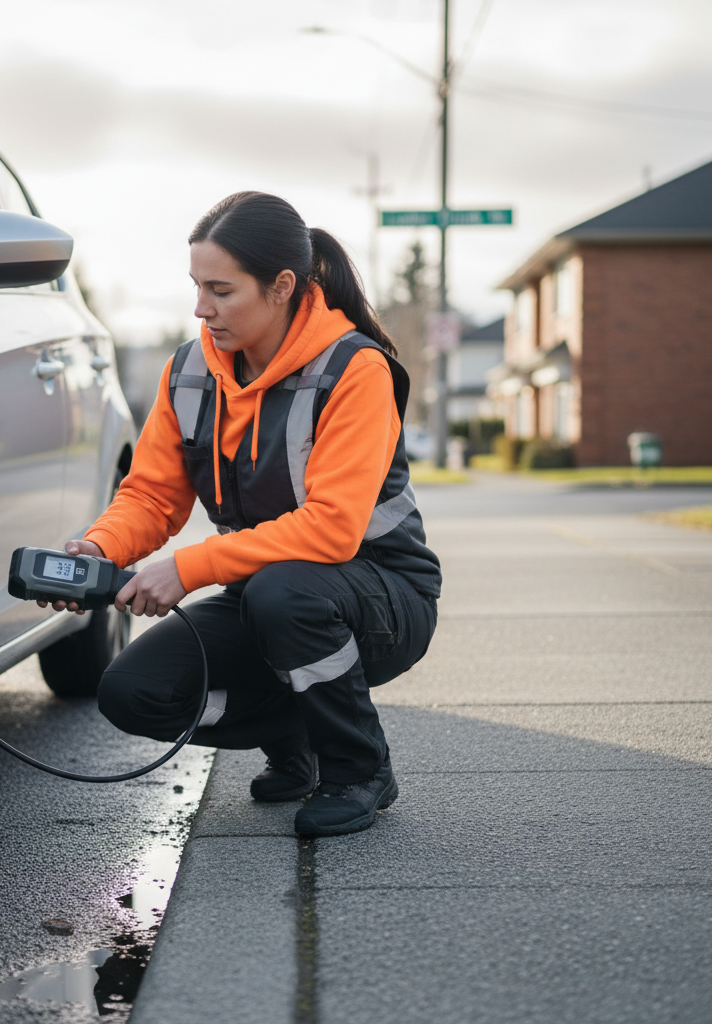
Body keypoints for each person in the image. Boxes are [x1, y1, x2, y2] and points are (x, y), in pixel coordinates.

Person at [46, 192, 441, 837]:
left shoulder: (354, 370)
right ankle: (299, 733)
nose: (202, 308)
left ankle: (358, 769)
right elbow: (151, 496)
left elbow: (333, 528)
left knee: (285, 594)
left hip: (381, 597)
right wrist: (100, 549)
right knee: (131, 692)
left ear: (281, 287)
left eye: (221, 291)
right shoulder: (189, 373)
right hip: (263, 595)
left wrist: (188, 569)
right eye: (197, 287)